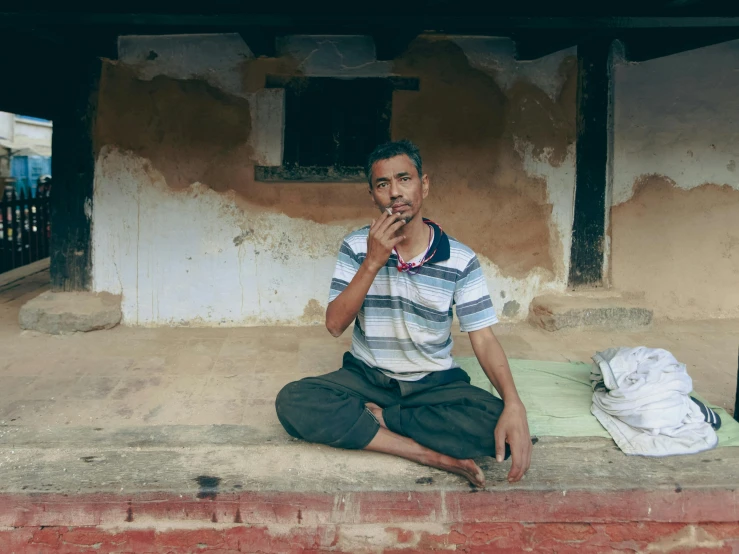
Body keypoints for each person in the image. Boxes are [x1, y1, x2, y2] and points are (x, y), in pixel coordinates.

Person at [275, 140, 532, 486]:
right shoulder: (356, 247)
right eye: (383, 184)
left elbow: (483, 339)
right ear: (373, 195)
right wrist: (373, 261)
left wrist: (514, 403)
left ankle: (382, 420)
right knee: (294, 401)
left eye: (404, 179)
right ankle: (425, 452)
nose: (395, 192)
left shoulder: (460, 259)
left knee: (495, 422)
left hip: (433, 383)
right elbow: (335, 325)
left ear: (423, 184)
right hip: (368, 378)